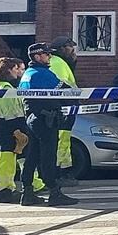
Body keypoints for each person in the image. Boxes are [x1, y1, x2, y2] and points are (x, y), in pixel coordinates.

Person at [18, 44, 76, 207]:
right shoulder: (42, 73)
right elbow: (66, 91)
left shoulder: (28, 74)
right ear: (37, 57)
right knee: (48, 156)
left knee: (33, 155)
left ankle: (27, 192)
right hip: (46, 119)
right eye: (46, 54)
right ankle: (54, 191)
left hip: (32, 118)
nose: (49, 57)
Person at [0, 57, 28, 204]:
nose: (18, 72)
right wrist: (17, 130)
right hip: (8, 128)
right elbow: (12, 112)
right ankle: (5, 191)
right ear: (8, 71)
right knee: (7, 161)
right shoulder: (7, 89)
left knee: (0, 160)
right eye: (15, 69)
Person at [47, 37, 82, 189]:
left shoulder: (60, 62)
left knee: (64, 142)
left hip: (66, 108)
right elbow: (60, 86)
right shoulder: (57, 62)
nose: (73, 50)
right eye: (70, 47)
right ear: (61, 49)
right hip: (63, 109)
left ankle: (63, 171)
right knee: (61, 143)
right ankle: (61, 173)